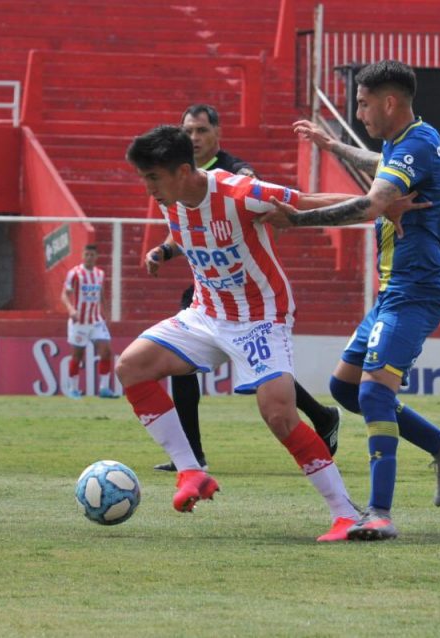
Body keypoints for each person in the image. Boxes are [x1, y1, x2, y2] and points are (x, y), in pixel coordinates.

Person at [121, 124, 403, 541]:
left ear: (182, 171)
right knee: (132, 366)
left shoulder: (240, 193)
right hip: (205, 313)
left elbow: (309, 202)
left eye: (153, 178)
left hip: (259, 317)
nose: (148, 189)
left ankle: (345, 513)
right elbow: (186, 227)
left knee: (278, 414)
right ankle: (191, 471)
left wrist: (382, 206)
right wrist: (166, 249)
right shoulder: (172, 198)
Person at [261, 60, 440, 541]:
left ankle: (379, 512)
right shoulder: (406, 142)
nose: (358, 112)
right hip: (392, 292)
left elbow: (371, 205)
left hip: (414, 291)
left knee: (376, 393)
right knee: (344, 389)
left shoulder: (416, 144)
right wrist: (334, 146)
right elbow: (379, 168)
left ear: (389, 102)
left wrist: (296, 222)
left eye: (361, 103)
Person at [153, 104, 342, 473]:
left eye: (201, 131)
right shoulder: (177, 176)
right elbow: (185, 228)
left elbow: (252, 191)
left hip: (245, 293)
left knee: (262, 373)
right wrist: (163, 250)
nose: (194, 138)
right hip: (207, 292)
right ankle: (191, 454)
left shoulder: (232, 170)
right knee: (181, 362)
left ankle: (320, 419)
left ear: (217, 134)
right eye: (188, 130)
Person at [60, 244, 119, 399]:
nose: (89, 257)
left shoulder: (100, 274)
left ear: (96, 257)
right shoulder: (74, 273)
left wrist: (106, 313)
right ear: (82, 255)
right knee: (77, 356)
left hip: (96, 321)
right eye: (86, 254)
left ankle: (104, 389)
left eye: (92, 255)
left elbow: (101, 295)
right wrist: (71, 310)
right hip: (79, 322)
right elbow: (64, 295)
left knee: (106, 352)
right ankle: (73, 389)